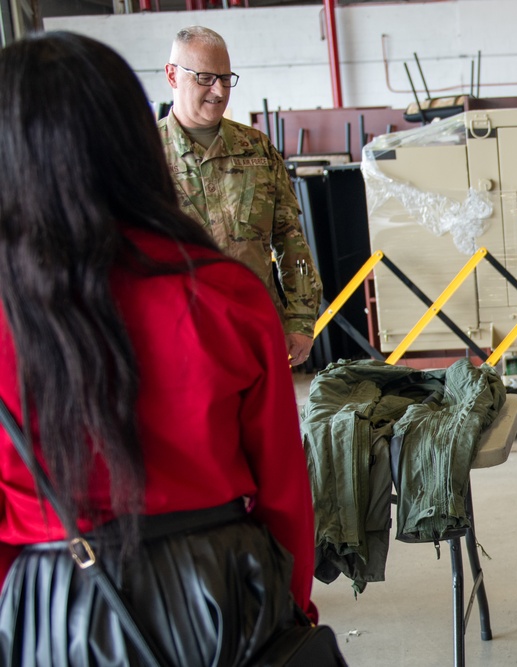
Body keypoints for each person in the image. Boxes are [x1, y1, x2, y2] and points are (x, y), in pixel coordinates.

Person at [0, 32, 328, 665]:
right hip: (219, 588)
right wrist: (292, 608)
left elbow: (291, 235)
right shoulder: (228, 296)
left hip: (52, 601)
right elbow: (284, 486)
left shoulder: (14, 310)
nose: (215, 91)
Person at [159, 25, 322, 367]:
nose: (218, 91)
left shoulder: (257, 149)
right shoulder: (141, 156)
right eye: (204, 77)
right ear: (173, 76)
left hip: (259, 333)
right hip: (181, 343)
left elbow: (291, 239)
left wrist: (301, 319)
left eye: (225, 78)